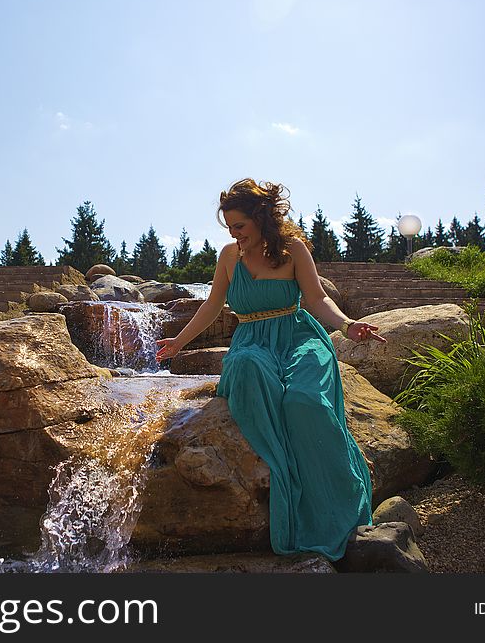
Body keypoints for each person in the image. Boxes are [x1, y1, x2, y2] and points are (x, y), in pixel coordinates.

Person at [155, 178, 387, 561]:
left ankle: (335, 505)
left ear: (261, 219)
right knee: (247, 367)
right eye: (229, 227)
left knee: (304, 400)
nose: (233, 233)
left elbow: (316, 298)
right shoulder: (230, 256)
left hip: (297, 336)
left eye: (240, 225)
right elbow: (212, 305)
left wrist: (347, 326)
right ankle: (286, 478)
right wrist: (179, 342)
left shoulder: (293, 249)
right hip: (252, 341)